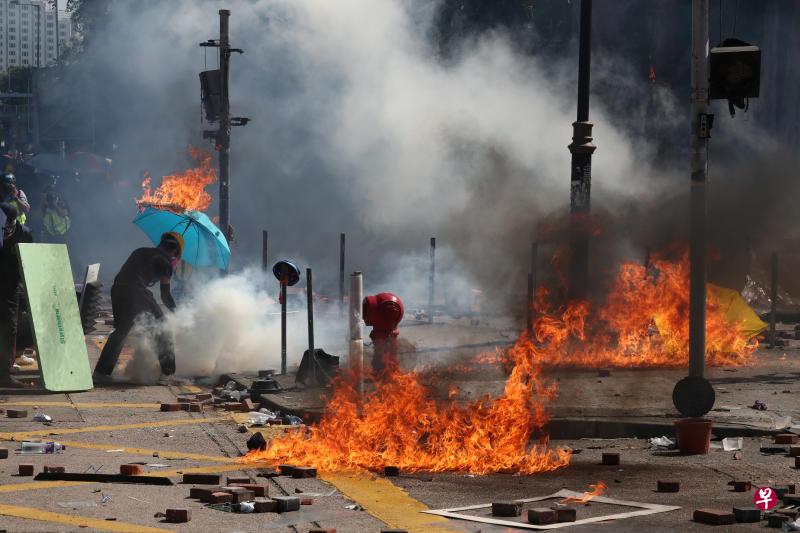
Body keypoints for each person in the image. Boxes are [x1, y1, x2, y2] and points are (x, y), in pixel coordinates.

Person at [92, 232, 183, 384]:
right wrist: (176, 311)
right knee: (163, 328)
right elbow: (165, 295)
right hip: (136, 292)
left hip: (118, 290)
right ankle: (167, 374)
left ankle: (101, 373)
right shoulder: (165, 263)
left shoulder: (140, 251)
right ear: (175, 252)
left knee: (121, 331)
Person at [0, 202, 33, 388]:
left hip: (11, 288)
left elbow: (29, 262)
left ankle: (4, 373)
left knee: (8, 329)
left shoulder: (24, 234)